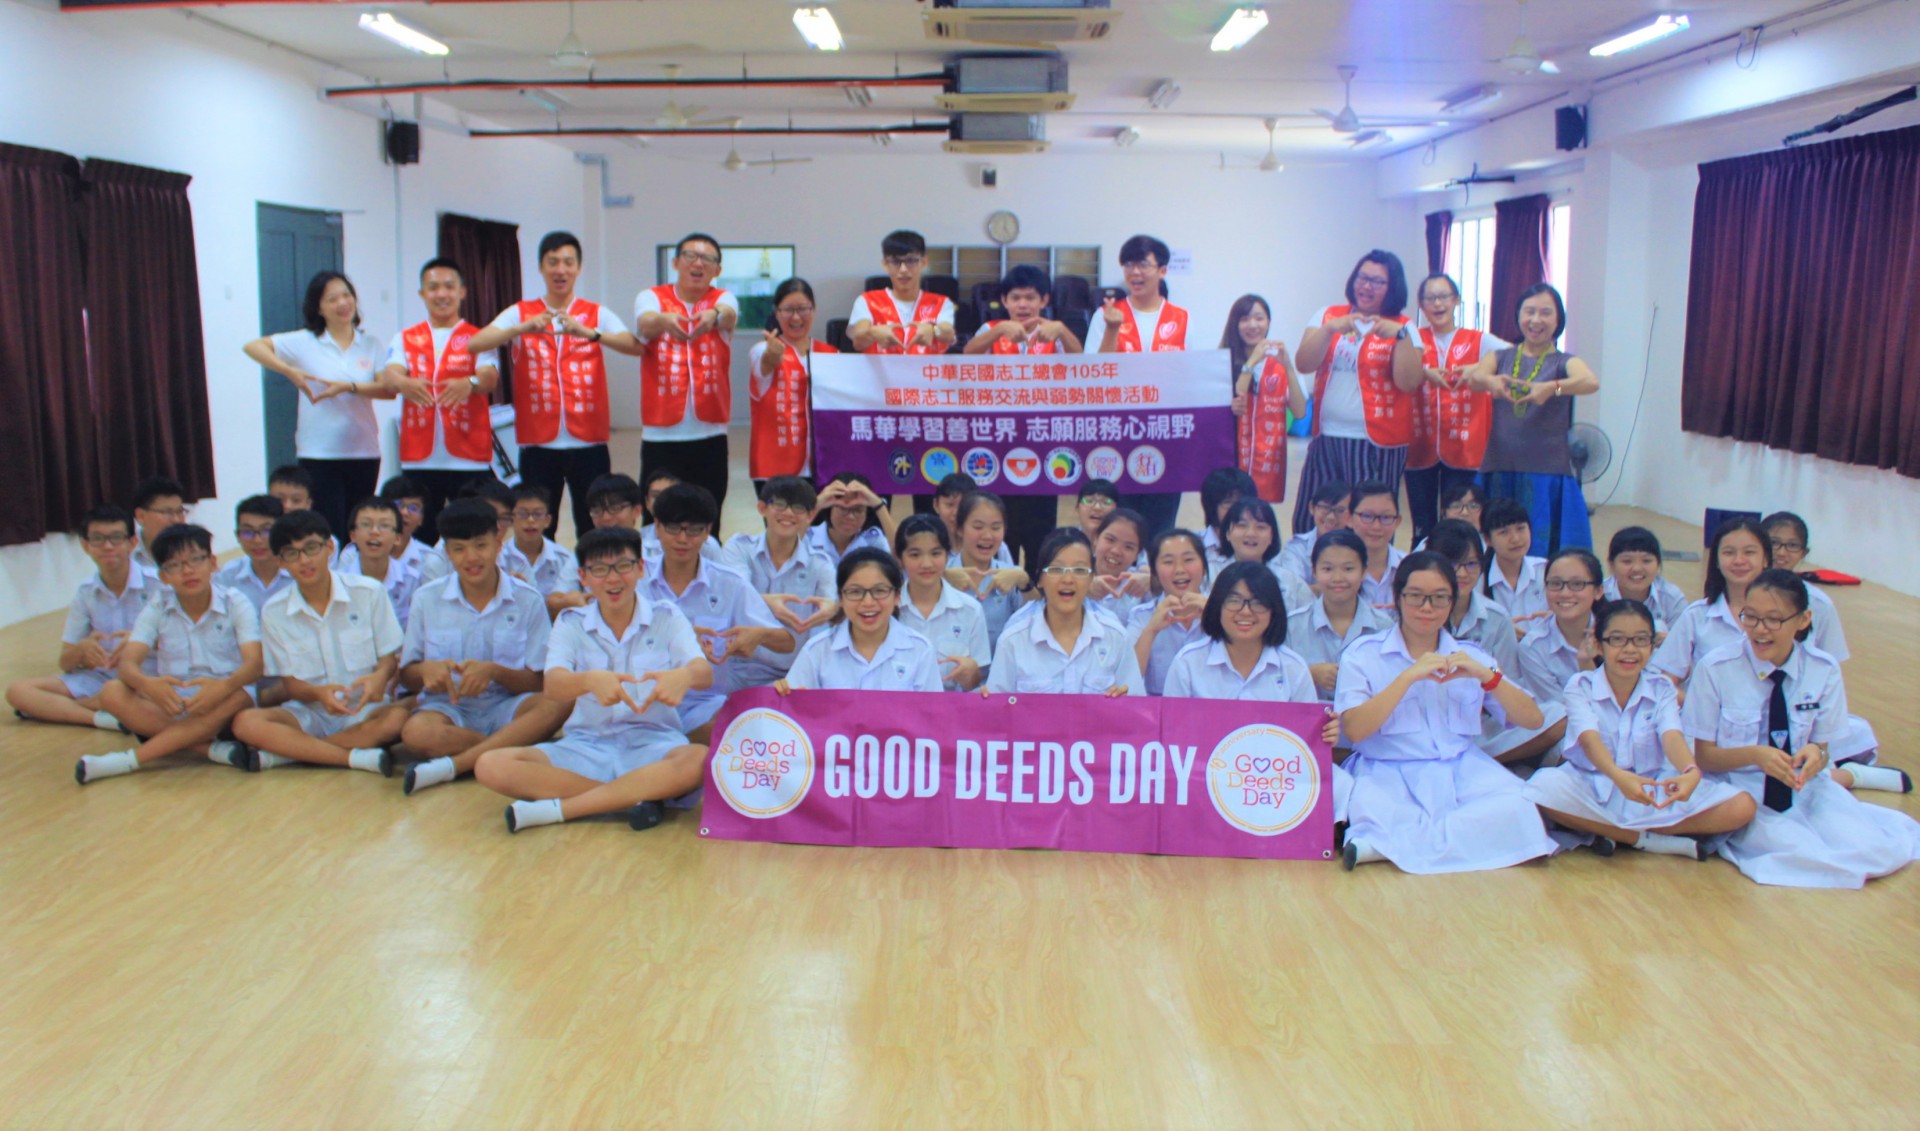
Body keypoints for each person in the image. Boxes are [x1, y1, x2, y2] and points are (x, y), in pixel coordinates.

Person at [1682, 569, 1918, 887]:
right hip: (1739, 786)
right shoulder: (1716, 668)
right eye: (1750, 617)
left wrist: (1815, 755)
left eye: (1773, 620)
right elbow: (1704, 757)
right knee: (1799, 855)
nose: (1759, 629)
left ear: (1803, 620)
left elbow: (1822, 747)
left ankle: (1850, 778)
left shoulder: (1822, 668)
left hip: (1802, 787)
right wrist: (1756, 755)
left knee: (1873, 850)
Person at [474, 527, 713, 834]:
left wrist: (684, 675)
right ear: (583, 577)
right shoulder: (570, 622)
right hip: (586, 747)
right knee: (490, 765)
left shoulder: (666, 616)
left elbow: (703, 673)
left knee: (698, 759)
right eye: (599, 570)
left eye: (623, 566)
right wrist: (588, 680)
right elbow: (553, 685)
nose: (613, 579)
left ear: (641, 568)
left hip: (653, 745)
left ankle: (563, 809)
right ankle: (638, 798)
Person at [1335, 552, 1555, 872]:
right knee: (1378, 809)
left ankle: (1389, 847)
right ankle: (1440, 842)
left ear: (1452, 602)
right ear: (1398, 597)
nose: (1427, 608)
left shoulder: (1471, 656)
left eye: (1439, 598)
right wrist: (1407, 677)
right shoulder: (1363, 654)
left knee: (1520, 807)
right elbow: (1355, 730)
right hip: (1387, 772)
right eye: (1416, 596)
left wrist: (1487, 676)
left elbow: (1533, 719)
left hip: (1462, 769)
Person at [1523, 598, 1755, 859]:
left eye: (1641, 640)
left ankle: (1608, 831)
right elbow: (1589, 740)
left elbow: (1672, 736)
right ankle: (1647, 840)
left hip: (1650, 787)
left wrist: (1690, 772)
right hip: (1593, 787)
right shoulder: (1580, 685)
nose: (1630, 649)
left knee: (1742, 806)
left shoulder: (1662, 688)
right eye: (1618, 640)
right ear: (1598, 645)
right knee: (1542, 788)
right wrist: (1618, 776)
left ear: (1652, 646)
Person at [467, 231, 643, 539]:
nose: (561, 270)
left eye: (568, 262)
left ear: (578, 268)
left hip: (588, 440)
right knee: (537, 526)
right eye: (553, 262)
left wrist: (591, 333)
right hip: (538, 443)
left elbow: (634, 346)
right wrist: (521, 328)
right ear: (541, 267)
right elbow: (476, 343)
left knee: (593, 522)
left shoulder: (595, 313)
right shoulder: (521, 312)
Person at [396, 500, 567, 795]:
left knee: (561, 702)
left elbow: (542, 681)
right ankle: (511, 750)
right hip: (449, 709)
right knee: (416, 733)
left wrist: (495, 672)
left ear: (498, 544)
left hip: (508, 707)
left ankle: (454, 765)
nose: (471, 558)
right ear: (447, 553)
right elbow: (406, 675)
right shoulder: (427, 599)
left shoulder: (528, 599)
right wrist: (425, 671)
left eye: (480, 546)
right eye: (459, 549)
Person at [231, 510, 407, 775]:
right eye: (292, 553)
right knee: (245, 722)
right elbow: (291, 684)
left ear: (329, 547)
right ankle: (351, 758)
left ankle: (290, 755)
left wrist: (378, 678)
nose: (304, 560)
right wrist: (318, 694)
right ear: (280, 562)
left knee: (397, 720)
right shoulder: (274, 611)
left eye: (311, 548)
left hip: (364, 709)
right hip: (309, 712)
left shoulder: (369, 592)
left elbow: (388, 661)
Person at [78, 525, 260, 781]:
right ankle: (211, 749)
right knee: (112, 691)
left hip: (224, 699)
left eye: (196, 560)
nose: (187, 571)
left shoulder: (235, 602)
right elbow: (128, 664)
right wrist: (148, 685)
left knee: (242, 695)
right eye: (174, 565)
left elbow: (254, 665)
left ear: (212, 563)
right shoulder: (158, 606)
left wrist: (223, 687)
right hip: (174, 703)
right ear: (163, 576)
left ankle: (128, 761)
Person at [637, 484, 794, 740]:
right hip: (643, 700)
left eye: (694, 530)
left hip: (703, 706)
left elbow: (786, 643)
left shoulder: (729, 583)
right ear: (657, 526)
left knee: (746, 727)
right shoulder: (635, 579)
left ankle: (680, 749)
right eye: (673, 528)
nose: (683, 539)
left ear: (708, 530)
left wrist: (759, 635)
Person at [241, 270, 391, 538]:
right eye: (332, 299)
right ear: (319, 308)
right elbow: (253, 347)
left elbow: (387, 390)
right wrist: (289, 371)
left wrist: (350, 387)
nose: (342, 303)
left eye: (346, 295)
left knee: (357, 529)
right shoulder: (304, 341)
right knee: (327, 529)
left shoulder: (371, 344)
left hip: (364, 450)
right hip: (319, 452)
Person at [1291, 250, 1425, 533]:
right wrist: (1329, 330)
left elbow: (1409, 382)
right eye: (1362, 278)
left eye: (1377, 282)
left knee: (1369, 523)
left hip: (1378, 442)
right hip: (1326, 436)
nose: (1366, 286)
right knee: (1310, 519)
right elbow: (1303, 363)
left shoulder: (1404, 327)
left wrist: (1400, 338)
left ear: (1392, 287)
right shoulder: (1328, 315)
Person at [1465, 283, 1598, 553]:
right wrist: (1491, 381)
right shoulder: (1499, 357)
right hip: (1500, 463)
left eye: (1545, 313)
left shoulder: (1563, 362)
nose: (1536, 320)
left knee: (1541, 544)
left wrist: (1552, 388)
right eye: (1529, 312)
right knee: (1492, 539)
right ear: (1518, 316)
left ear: (1558, 320)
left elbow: (1590, 382)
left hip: (1546, 469)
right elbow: (1476, 378)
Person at [378, 258, 502, 544]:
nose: (441, 294)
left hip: (469, 457)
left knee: (472, 535)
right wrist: (404, 383)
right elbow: (390, 374)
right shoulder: (406, 338)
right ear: (422, 293)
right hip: (420, 458)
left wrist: (469, 383)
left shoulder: (478, 337)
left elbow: (489, 377)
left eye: (449, 286)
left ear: (462, 292)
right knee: (418, 539)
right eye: (433, 287)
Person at [6, 506, 155, 731]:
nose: (107, 546)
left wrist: (140, 643)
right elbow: (65, 663)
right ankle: (104, 719)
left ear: (132, 543)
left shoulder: (159, 585)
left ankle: (73, 708)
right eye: (98, 539)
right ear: (86, 546)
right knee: (18, 691)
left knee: (128, 694)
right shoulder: (85, 593)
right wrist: (81, 650)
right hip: (99, 678)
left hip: (147, 677)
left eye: (116, 538)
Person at [1088, 235, 1188, 535]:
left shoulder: (1183, 319)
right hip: (1118, 433)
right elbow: (1092, 375)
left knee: (1160, 526)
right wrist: (1112, 329)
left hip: (1166, 435)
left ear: (1162, 270)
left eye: (1143, 264)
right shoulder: (1105, 316)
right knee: (1120, 525)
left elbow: (1193, 377)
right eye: (1129, 265)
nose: (1135, 272)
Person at [636, 233, 740, 515]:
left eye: (707, 259)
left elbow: (729, 314)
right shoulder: (651, 297)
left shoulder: (722, 298)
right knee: (658, 514)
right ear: (676, 262)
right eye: (690, 256)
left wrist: (714, 315)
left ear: (717, 269)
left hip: (710, 433)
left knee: (708, 512)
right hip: (661, 434)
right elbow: (645, 324)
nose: (698, 263)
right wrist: (663, 320)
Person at [1406, 273, 1505, 547]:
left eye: (1444, 297)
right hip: (1420, 443)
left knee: (1462, 519)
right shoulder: (1412, 340)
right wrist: (1423, 373)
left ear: (1456, 301)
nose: (1437, 304)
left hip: (1465, 445)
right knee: (1422, 521)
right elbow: (1393, 371)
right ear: (1421, 304)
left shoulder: (1478, 340)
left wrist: (1481, 368)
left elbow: (1515, 357)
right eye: (1430, 298)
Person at [985, 529, 1143, 697]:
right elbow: (996, 708)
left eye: (1079, 570)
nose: (1068, 579)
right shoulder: (1013, 641)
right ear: (1040, 579)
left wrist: (1125, 702)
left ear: (1091, 579)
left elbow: (1136, 702)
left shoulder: (1115, 637)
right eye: (1056, 569)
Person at [719, 476, 839, 691]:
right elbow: (733, 595)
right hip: (738, 667)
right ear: (762, 508)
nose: (789, 513)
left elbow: (830, 603)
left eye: (798, 507)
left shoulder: (820, 563)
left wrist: (833, 608)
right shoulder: (739, 548)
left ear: (810, 515)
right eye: (780, 504)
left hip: (792, 673)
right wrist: (766, 602)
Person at [777, 549, 943, 693]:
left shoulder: (921, 651)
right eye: (855, 592)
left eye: (879, 591)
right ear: (840, 598)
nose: (868, 602)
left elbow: (932, 713)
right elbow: (792, 712)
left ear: (897, 596)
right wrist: (784, 693)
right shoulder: (817, 651)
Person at [1650, 518, 1769, 689]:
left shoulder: (1784, 616)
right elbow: (1666, 682)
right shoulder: (1696, 615)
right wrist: (1697, 702)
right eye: (1729, 552)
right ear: (1716, 561)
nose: (1739, 560)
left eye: (1749, 552)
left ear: (1765, 559)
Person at [1284, 529, 1391, 703]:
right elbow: (1275, 684)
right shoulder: (1292, 625)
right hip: (1305, 718)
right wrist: (1309, 674)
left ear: (1364, 571)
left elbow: (1391, 683)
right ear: (1314, 571)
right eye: (1327, 569)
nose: (1338, 578)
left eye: (1348, 569)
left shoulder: (1384, 627)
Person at [748, 278, 837, 485]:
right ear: (777, 313)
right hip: (774, 468)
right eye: (788, 310)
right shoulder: (761, 350)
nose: (796, 317)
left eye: (803, 309)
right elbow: (765, 365)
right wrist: (772, 355)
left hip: (822, 465)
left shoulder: (831, 354)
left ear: (814, 310)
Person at [1222, 294, 1306, 504]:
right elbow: (1238, 395)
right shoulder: (1223, 359)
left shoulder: (1279, 364)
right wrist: (1252, 361)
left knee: (1259, 511)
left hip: (1266, 455)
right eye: (1245, 319)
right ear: (1235, 323)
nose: (1253, 325)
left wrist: (1288, 367)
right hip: (1231, 453)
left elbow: (1300, 412)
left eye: (1259, 318)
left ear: (1268, 322)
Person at [893, 514, 991, 692]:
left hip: (953, 707)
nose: (926, 564)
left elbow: (980, 681)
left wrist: (972, 675)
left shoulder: (970, 610)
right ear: (900, 558)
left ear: (947, 555)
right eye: (915, 555)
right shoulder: (887, 608)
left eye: (935, 553)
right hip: (898, 707)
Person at [1127, 529, 1211, 696]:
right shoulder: (1141, 616)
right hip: (1158, 709)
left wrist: (1215, 618)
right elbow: (1126, 681)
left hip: (1211, 708)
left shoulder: (1225, 613)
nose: (1179, 569)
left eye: (1188, 560)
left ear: (1204, 567)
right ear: (1155, 573)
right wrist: (1151, 630)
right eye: (1168, 562)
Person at [847, 230, 955, 355]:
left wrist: (934, 330)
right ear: (885, 264)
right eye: (896, 262)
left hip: (925, 368)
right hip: (881, 368)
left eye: (911, 261)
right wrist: (873, 333)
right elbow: (858, 341)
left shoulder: (940, 302)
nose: (903, 269)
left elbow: (949, 335)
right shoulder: (867, 301)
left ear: (924, 262)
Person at [944, 490, 1030, 648]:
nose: (987, 536)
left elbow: (1038, 616)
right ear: (960, 529)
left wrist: (1024, 582)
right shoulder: (941, 572)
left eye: (996, 527)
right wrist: (941, 579)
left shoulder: (1011, 575)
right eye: (978, 527)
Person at [1759, 512, 1849, 660]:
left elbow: (1831, 661)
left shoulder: (1820, 604)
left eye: (1792, 545)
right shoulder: (1737, 592)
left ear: (1804, 552)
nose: (1781, 552)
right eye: (1774, 543)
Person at [1217, 498, 1315, 613]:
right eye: (1242, 525)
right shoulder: (1210, 574)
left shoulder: (1290, 582)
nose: (1251, 533)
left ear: (1271, 537)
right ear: (1228, 533)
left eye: (1260, 527)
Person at [336, 496, 420, 630]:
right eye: (366, 524)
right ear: (353, 535)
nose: (374, 532)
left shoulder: (413, 581)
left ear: (397, 538)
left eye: (384, 526)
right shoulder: (337, 583)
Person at [500, 485, 582, 615]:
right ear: (511, 519)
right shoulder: (499, 556)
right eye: (522, 514)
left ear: (547, 520)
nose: (530, 520)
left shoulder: (564, 558)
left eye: (537, 514)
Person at [1602, 526, 1688, 637]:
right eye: (1627, 561)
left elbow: (1683, 640)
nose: (1637, 568)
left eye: (1646, 561)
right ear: (1612, 565)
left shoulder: (1672, 598)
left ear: (1658, 564)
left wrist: (1668, 641)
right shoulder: (1598, 594)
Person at [214, 495, 292, 616]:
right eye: (247, 532)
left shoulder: (297, 573)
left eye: (266, 531)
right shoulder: (227, 577)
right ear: (237, 536)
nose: (257, 540)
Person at [1481, 497, 1547, 631]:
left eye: (1520, 528)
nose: (1515, 539)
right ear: (1487, 540)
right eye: (1504, 532)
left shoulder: (1546, 570)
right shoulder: (1477, 578)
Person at [809, 472, 895, 567]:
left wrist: (879, 505)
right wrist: (817, 503)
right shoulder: (808, 536)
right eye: (842, 508)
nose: (850, 516)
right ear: (829, 508)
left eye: (858, 510)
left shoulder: (872, 539)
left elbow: (900, 559)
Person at [1346, 481, 1405, 610]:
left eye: (1386, 517)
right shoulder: (1333, 568)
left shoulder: (1410, 567)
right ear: (1349, 518)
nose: (1376, 526)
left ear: (1397, 521)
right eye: (1367, 516)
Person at [1277, 480, 1349, 586]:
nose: (1331, 517)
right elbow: (1294, 591)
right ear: (1312, 507)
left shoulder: (1358, 547)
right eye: (1325, 508)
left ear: (1351, 514)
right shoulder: (1297, 547)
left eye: (1340, 510)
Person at [1089, 508, 1152, 622]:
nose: (1116, 551)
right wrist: (1082, 588)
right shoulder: (1072, 572)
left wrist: (1154, 583)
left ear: (1137, 554)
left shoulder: (1142, 585)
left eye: (1128, 547)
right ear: (1096, 538)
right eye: (1110, 540)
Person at [130, 477, 190, 580]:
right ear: (141, 516)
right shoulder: (126, 553)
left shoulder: (194, 548)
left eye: (180, 511)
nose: (176, 520)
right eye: (167, 512)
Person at [1198, 467, 1257, 569]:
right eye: (1228, 502)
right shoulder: (1192, 544)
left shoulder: (1259, 543)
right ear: (1212, 507)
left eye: (1242, 502)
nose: (1236, 509)